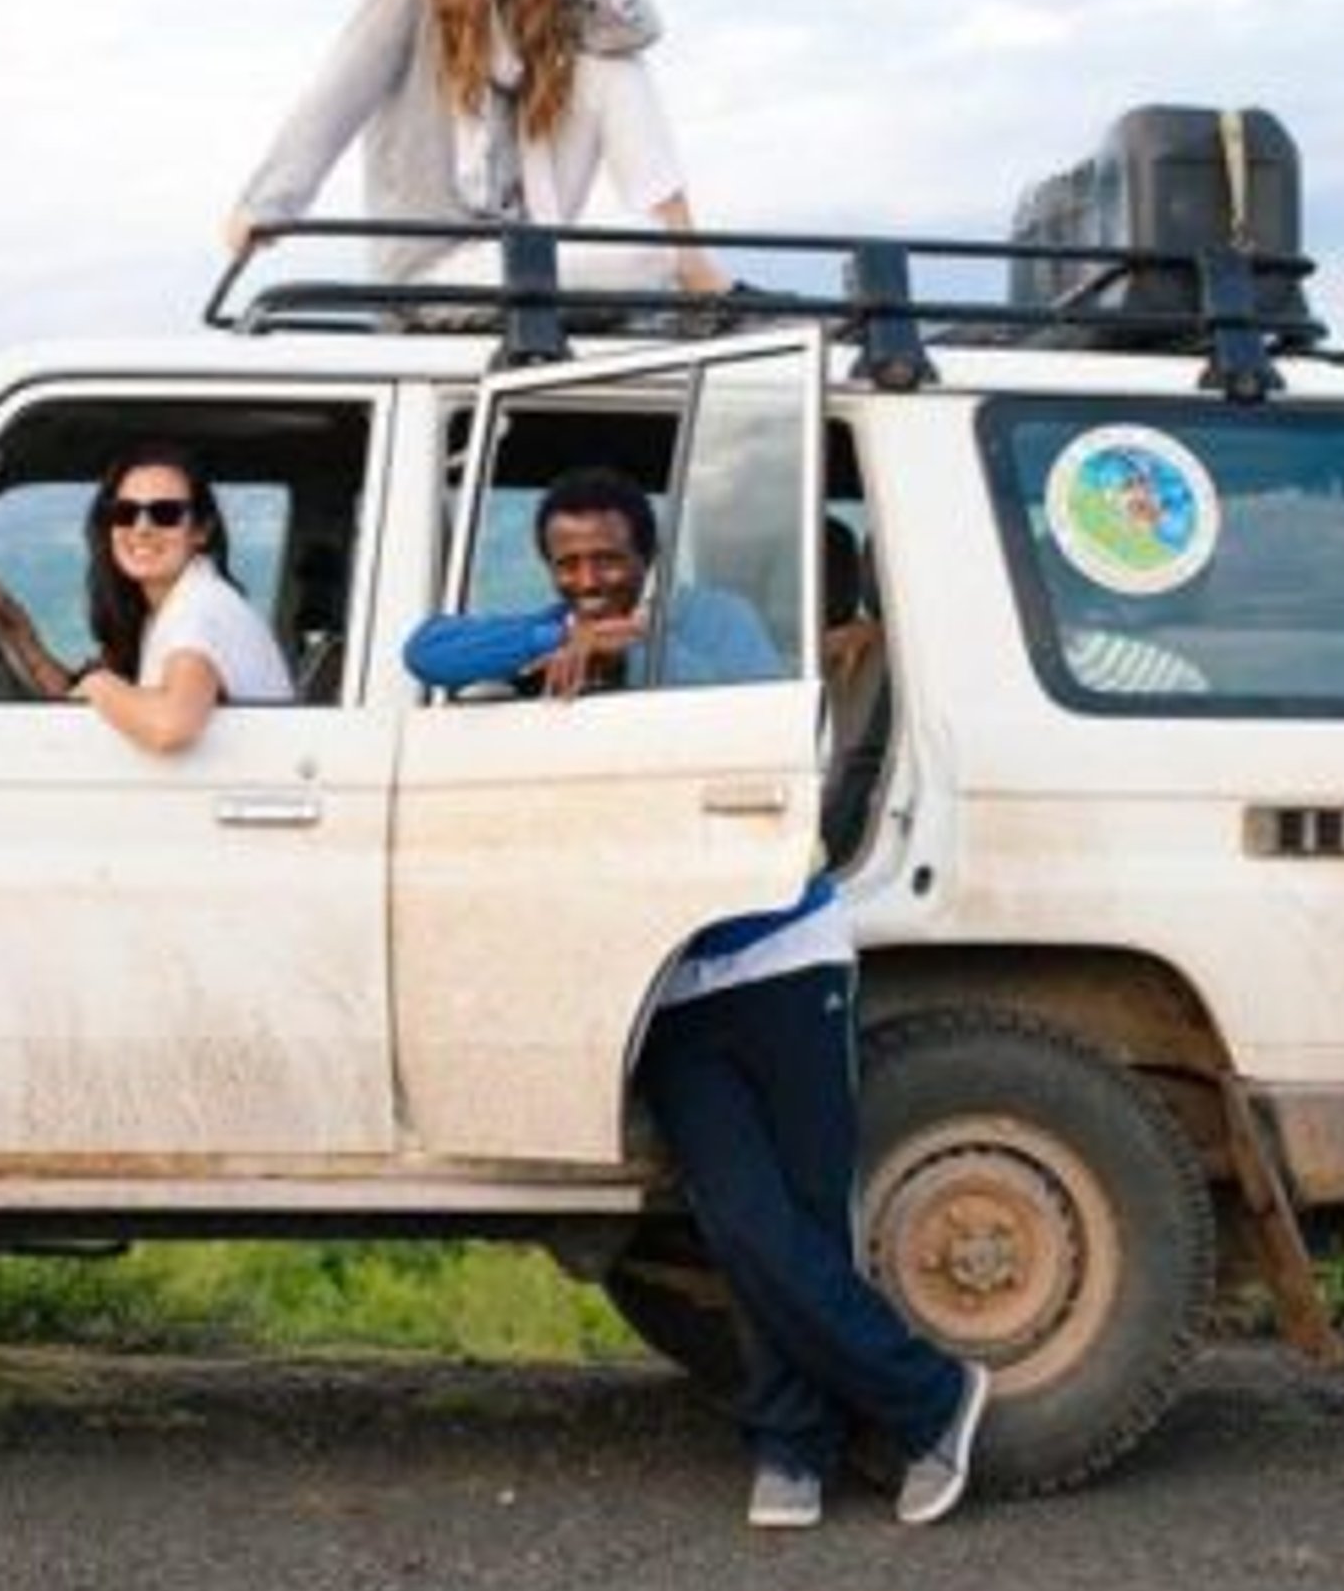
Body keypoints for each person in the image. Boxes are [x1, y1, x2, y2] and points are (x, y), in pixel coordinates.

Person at [403, 467, 987, 1530]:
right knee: (741, 1225)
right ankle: (929, 1397)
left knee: (805, 1221)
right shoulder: (551, 627)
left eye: (608, 560)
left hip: (779, 954)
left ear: (648, 554)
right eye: (568, 563)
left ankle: (793, 1450)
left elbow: (759, 711)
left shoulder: (708, 620)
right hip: (659, 976)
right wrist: (551, 637)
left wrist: (637, 641)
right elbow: (427, 654)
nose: (589, 578)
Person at [223, 0, 723, 298]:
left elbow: (635, 28)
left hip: (522, 237)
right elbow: (338, 93)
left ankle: (691, 261)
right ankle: (684, 264)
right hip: (433, 269)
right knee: (649, 253)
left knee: (614, 66)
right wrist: (264, 206)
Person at [0, 443, 292, 755]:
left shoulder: (200, 607)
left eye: (166, 513)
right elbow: (89, 702)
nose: (142, 527)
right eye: (125, 512)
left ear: (201, 530)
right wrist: (24, 638)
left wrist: (98, 685)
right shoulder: (170, 607)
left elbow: (170, 726)